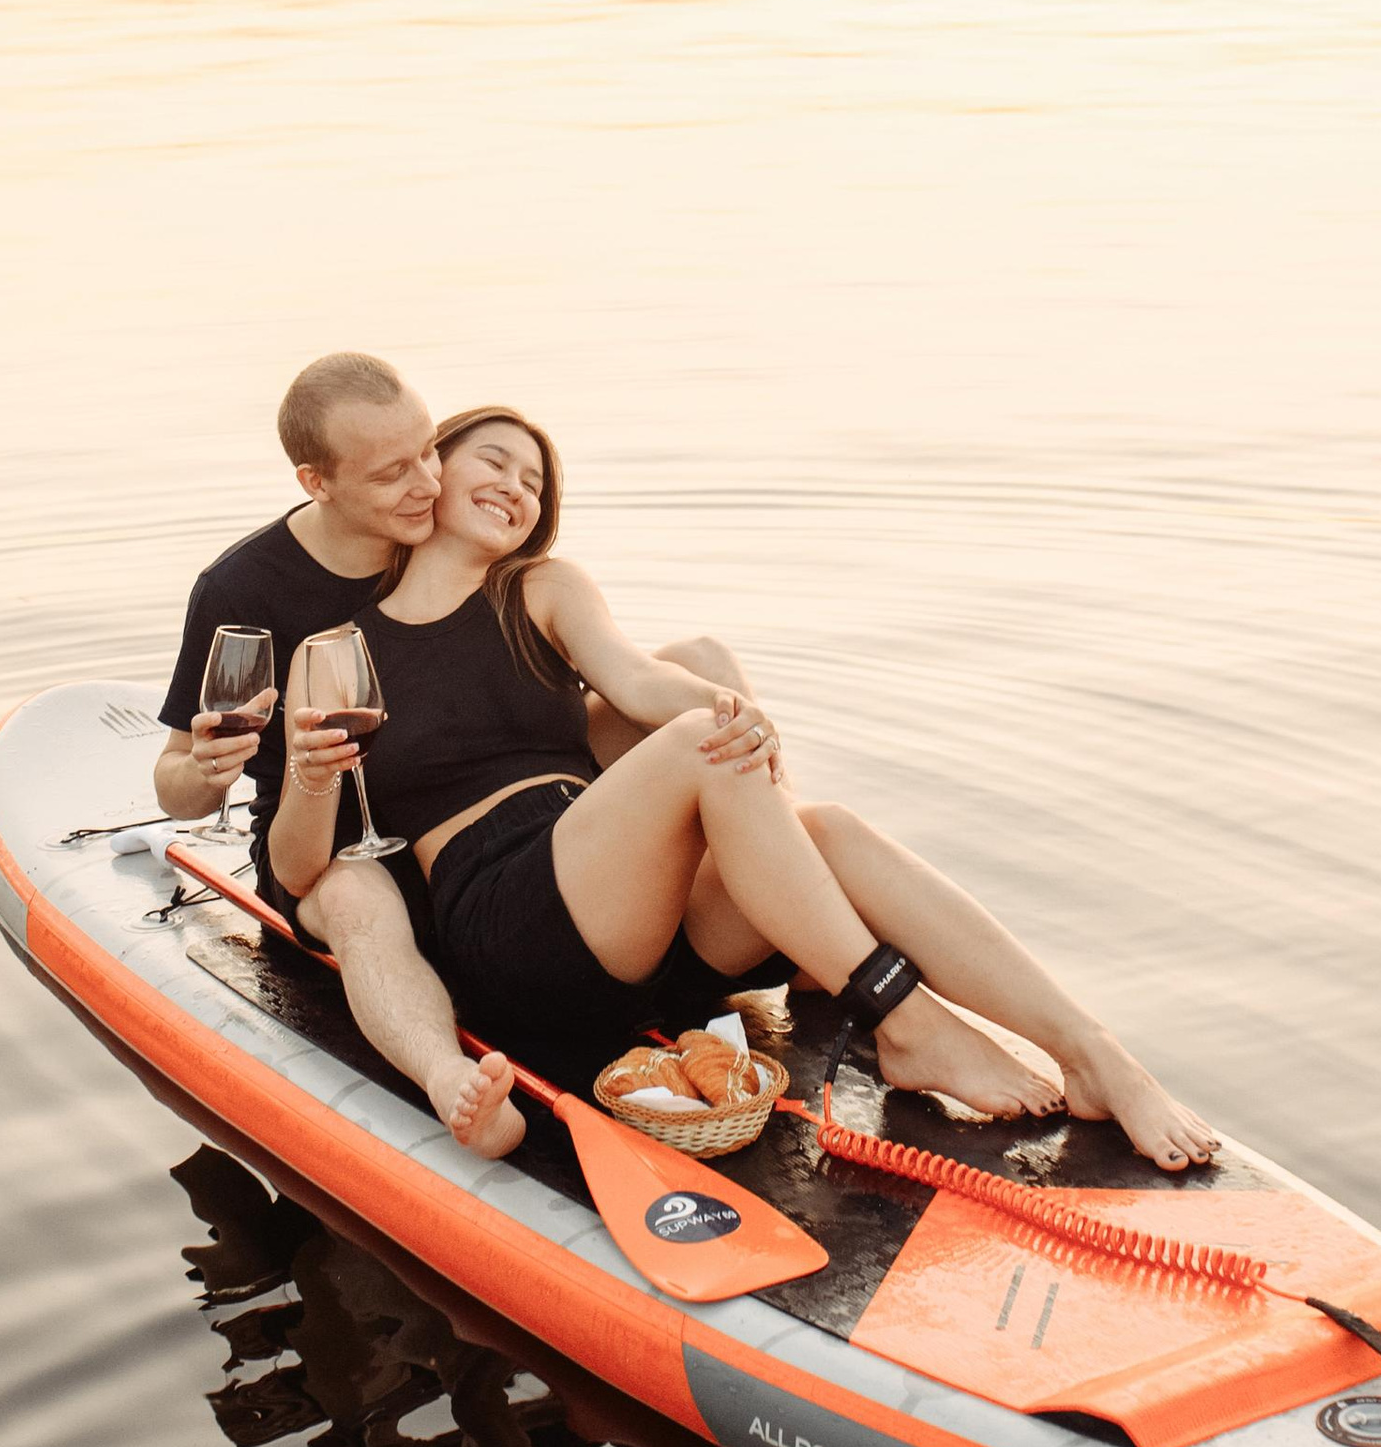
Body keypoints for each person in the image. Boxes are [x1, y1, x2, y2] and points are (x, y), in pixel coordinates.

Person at [270, 405, 1218, 1171]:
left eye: (534, 481)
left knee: (828, 826)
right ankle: (911, 1020)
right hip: (511, 926)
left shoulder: (544, 590)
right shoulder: (339, 651)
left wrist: (730, 709)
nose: (517, 488)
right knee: (699, 746)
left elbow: (642, 683)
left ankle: (1093, 1052)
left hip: (632, 907)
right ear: (433, 471)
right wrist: (310, 778)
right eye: (496, 462)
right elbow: (301, 864)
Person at [155, 352, 748, 1162]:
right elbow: (176, 780)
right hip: (326, 822)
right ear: (317, 483)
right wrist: (210, 770)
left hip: (450, 794)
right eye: (394, 472)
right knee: (358, 894)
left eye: (428, 451)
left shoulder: (434, 524)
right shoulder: (243, 590)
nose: (428, 485)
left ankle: (762, 885)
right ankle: (452, 1082)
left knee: (697, 663)